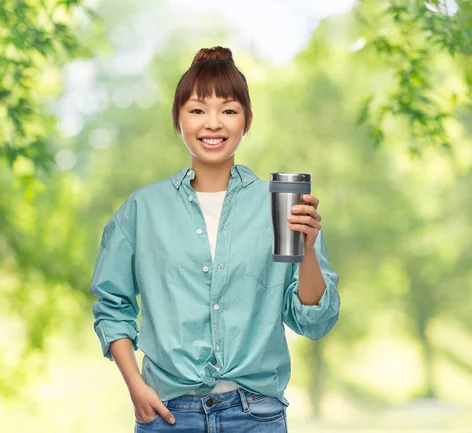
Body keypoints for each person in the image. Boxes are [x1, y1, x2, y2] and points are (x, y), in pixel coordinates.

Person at [89, 46, 340, 432]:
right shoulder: (143, 209)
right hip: (167, 414)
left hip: (257, 416)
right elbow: (112, 304)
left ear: (246, 120)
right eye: (196, 110)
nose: (212, 123)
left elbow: (313, 322)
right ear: (178, 120)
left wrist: (306, 249)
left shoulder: (278, 204)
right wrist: (135, 386)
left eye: (228, 110)